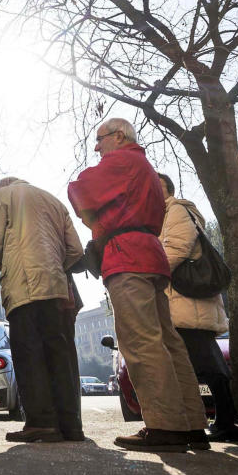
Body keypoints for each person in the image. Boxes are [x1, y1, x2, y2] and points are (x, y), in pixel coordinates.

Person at [69, 118, 207, 452]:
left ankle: (164, 425)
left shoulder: (122, 161)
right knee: (168, 342)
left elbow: (80, 190)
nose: (97, 147)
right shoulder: (142, 166)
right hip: (149, 256)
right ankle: (190, 424)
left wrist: (94, 219)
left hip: (126, 256)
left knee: (141, 342)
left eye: (100, 140)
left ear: (118, 136)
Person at [0, 178, 85, 442]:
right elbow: (75, 249)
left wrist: (7, 264)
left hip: (23, 283)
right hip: (55, 286)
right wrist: (53, 266)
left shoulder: (2, 195)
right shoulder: (54, 201)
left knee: (29, 352)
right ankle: (70, 424)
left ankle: (41, 422)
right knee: (59, 353)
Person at [157, 173, 238, 442]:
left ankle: (226, 421)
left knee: (207, 363)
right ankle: (222, 420)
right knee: (203, 361)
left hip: (188, 301)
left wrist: (150, 273)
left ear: (168, 189)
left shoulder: (176, 210)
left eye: (156, 187)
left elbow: (176, 250)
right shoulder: (166, 214)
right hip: (185, 300)